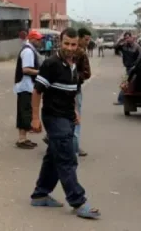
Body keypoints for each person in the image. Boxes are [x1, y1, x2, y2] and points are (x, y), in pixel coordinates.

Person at [30, 28, 100, 220]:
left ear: (78, 45)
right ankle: (78, 202)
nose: (70, 47)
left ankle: (40, 194)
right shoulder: (51, 64)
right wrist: (35, 118)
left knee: (54, 157)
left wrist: (75, 111)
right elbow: (37, 91)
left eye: (73, 44)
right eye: (66, 43)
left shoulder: (74, 63)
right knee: (67, 159)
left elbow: (72, 90)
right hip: (54, 118)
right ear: (60, 42)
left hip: (68, 117)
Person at [15, 29, 43, 149]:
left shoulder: (30, 50)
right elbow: (26, 69)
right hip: (26, 86)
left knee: (25, 112)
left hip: (27, 86)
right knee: (25, 112)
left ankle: (24, 138)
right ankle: (22, 139)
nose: (40, 42)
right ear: (31, 39)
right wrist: (41, 72)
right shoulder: (28, 51)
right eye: (38, 40)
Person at [73, 28, 93, 157]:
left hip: (66, 89)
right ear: (79, 38)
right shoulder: (81, 52)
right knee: (76, 119)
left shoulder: (65, 51)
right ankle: (74, 147)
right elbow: (87, 73)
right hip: (74, 90)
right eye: (86, 39)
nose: (87, 42)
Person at [114, 32, 141, 105]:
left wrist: (135, 66)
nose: (127, 39)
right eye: (125, 38)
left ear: (132, 37)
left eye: (128, 38)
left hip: (134, 68)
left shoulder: (136, 47)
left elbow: (140, 57)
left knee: (125, 83)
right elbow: (115, 47)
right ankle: (123, 100)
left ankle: (121, 100)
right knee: (127, 83)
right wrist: (120, 40)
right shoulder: (124, 46)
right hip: (128, 68)